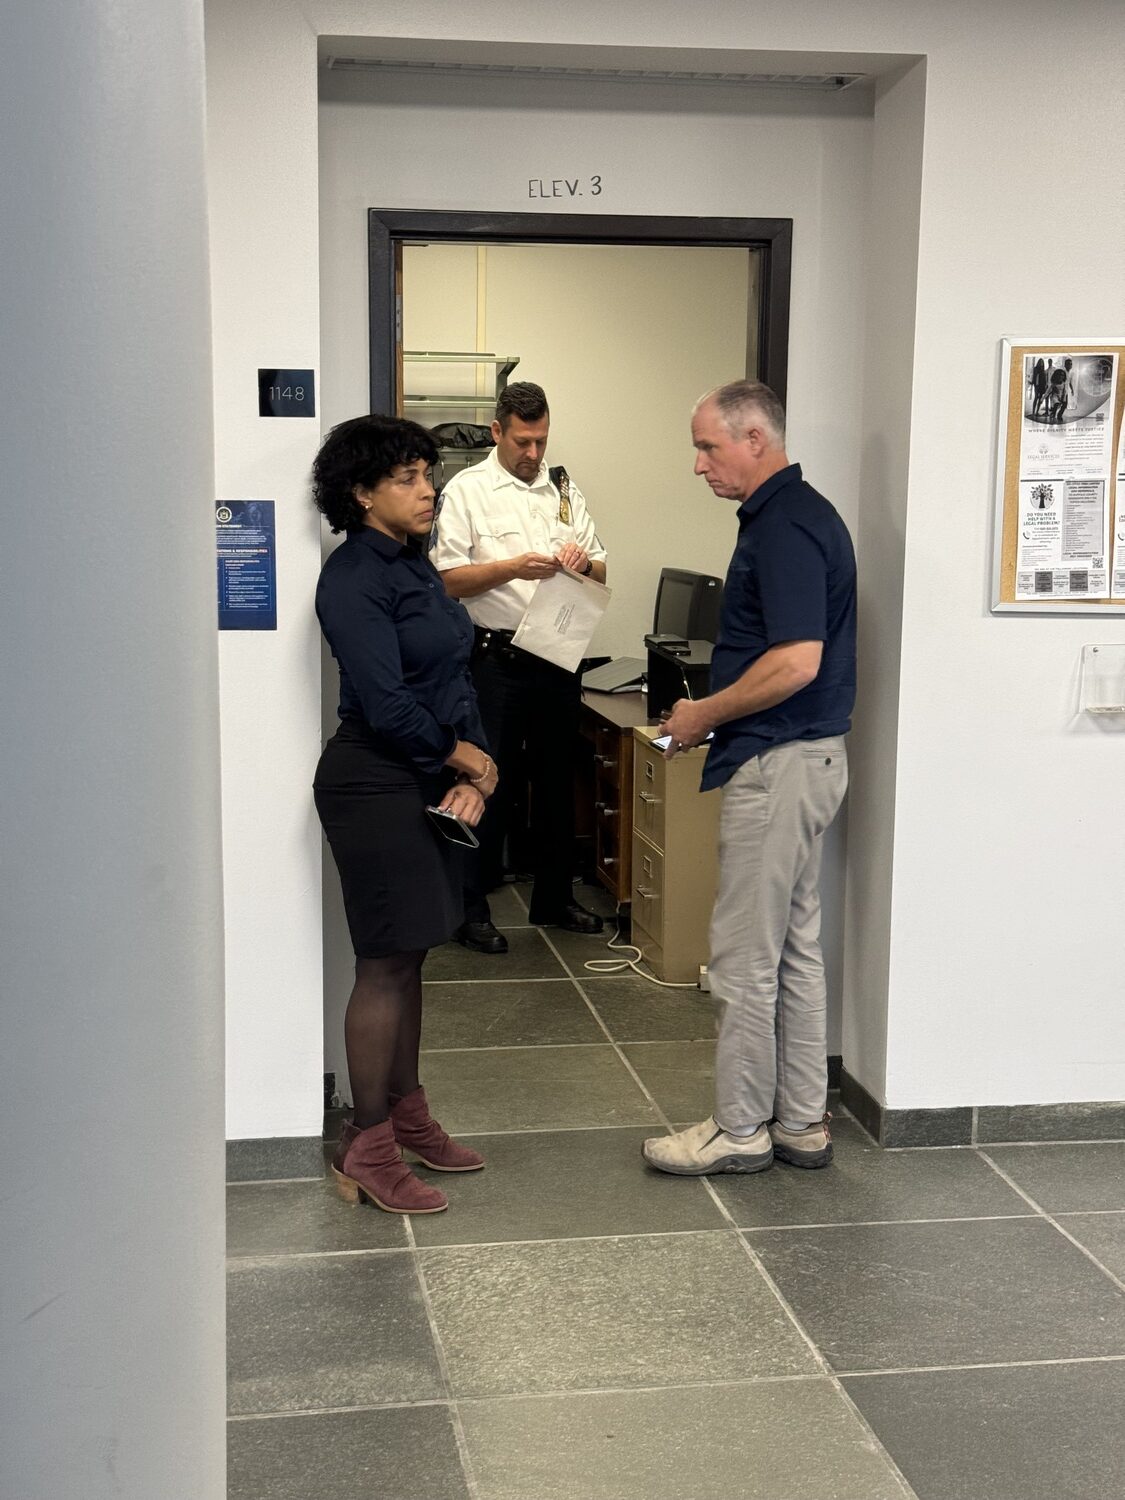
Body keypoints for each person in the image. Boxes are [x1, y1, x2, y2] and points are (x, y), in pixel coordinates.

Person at [643, 380, 856, 1178]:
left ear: (755, 438)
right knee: (793, 949)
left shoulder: (788, 527)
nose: (698, 464)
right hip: (804, 757)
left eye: (708, 446)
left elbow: (798, 662)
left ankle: (738, 1129)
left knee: (741, 956)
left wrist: (705, 713)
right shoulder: (793, 517)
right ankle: (800, 1121)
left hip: (779, 762)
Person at [312, 414, 499, 1215]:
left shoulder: (417, 567)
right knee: (384, 961)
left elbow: (454, 678)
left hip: (421, 775)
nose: (428, 490)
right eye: (407, 478)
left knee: (413, 952)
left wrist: (475, 773)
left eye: (428, 474)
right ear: (361, 493)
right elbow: (387, 703)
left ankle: (408, 1114)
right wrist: (459, 758)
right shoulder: (353, 577)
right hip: (371, 780)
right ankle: (367, 1142)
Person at [432, 381, 608, 953]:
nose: (533, 454)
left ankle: (555, 898)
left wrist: (584, 562)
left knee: (558, 778)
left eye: (541, 441)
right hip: (496, 657)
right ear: (498, 432)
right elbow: (448, 581)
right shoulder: (468, 490)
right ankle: (471, 906)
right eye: (524, 442)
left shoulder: (561, 485)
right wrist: (511, 568)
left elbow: (601, 567)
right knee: (489, 778)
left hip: (557, 652)